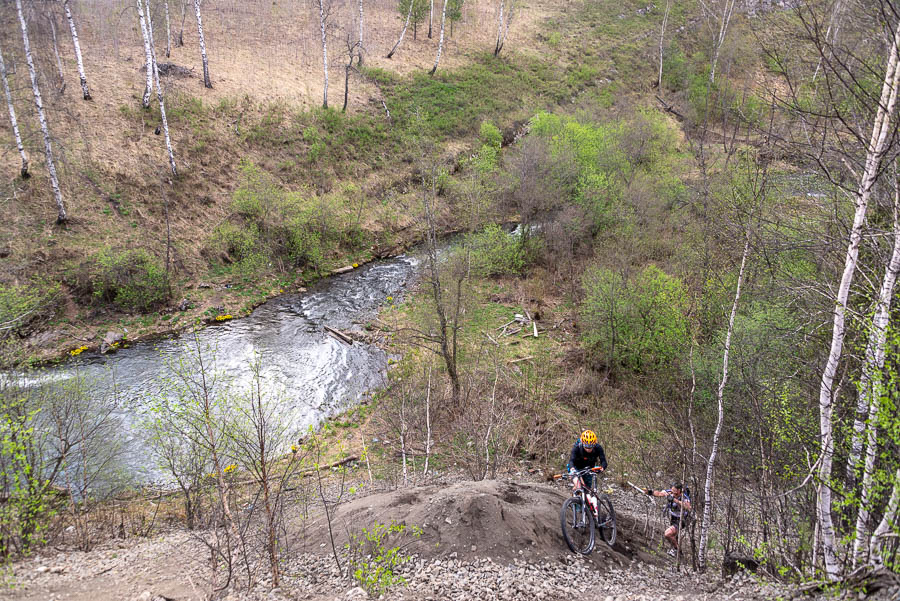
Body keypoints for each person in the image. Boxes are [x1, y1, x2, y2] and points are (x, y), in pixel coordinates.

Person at [645, 482, 692, 557]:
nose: (673, 494)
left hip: (682, 519)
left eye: (675, 493)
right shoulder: (670, 492)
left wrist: (674, 500)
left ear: (679, 491)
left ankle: (677, 550)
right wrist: (650, 492)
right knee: (674, 536)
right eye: (672, 491)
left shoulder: (684, 497)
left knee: (668, 534)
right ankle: (679, 553)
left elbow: (688, 507)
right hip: (673, 517)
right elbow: (659, 493)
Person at [567, 430, 607, 496]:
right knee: (579, 486)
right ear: (582, 443)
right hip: (575, 468)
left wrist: (602, 468)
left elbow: (604, 461)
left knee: (586, 491)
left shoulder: (598, 448)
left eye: (590, 447)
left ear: (594, 444)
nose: (588, 449)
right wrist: (572, 469)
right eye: (586, 446)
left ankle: (582, 502)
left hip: (589, 469)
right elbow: (571, 461)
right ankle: (574, 501)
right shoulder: (577, 447)